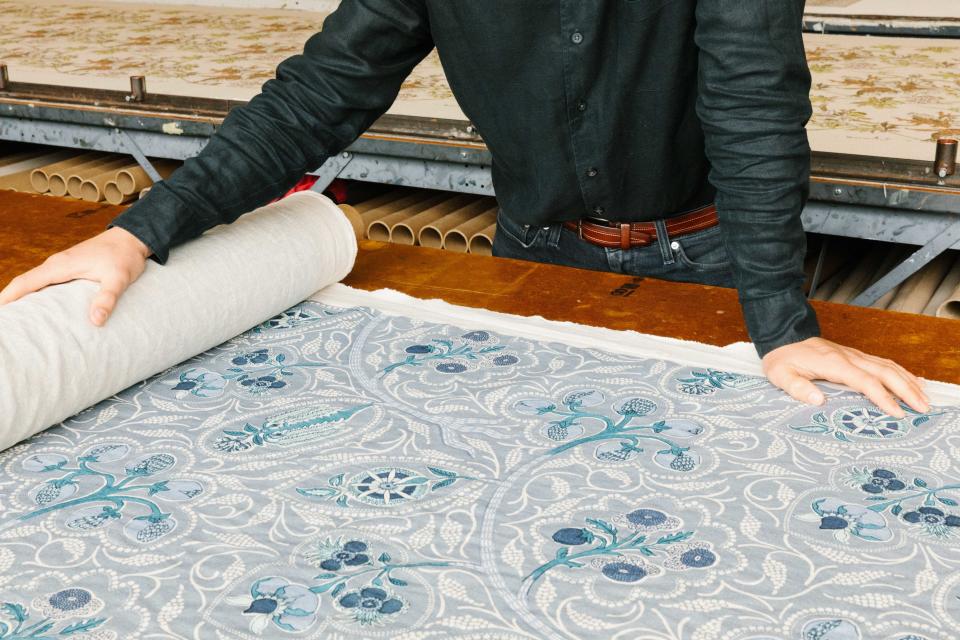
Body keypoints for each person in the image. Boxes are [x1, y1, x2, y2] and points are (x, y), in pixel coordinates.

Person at [0, 0, 929, 416]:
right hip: (532, 256)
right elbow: (318, 94)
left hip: (707, 257)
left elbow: (753, 103)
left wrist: (781, 322)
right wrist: (138, 232)